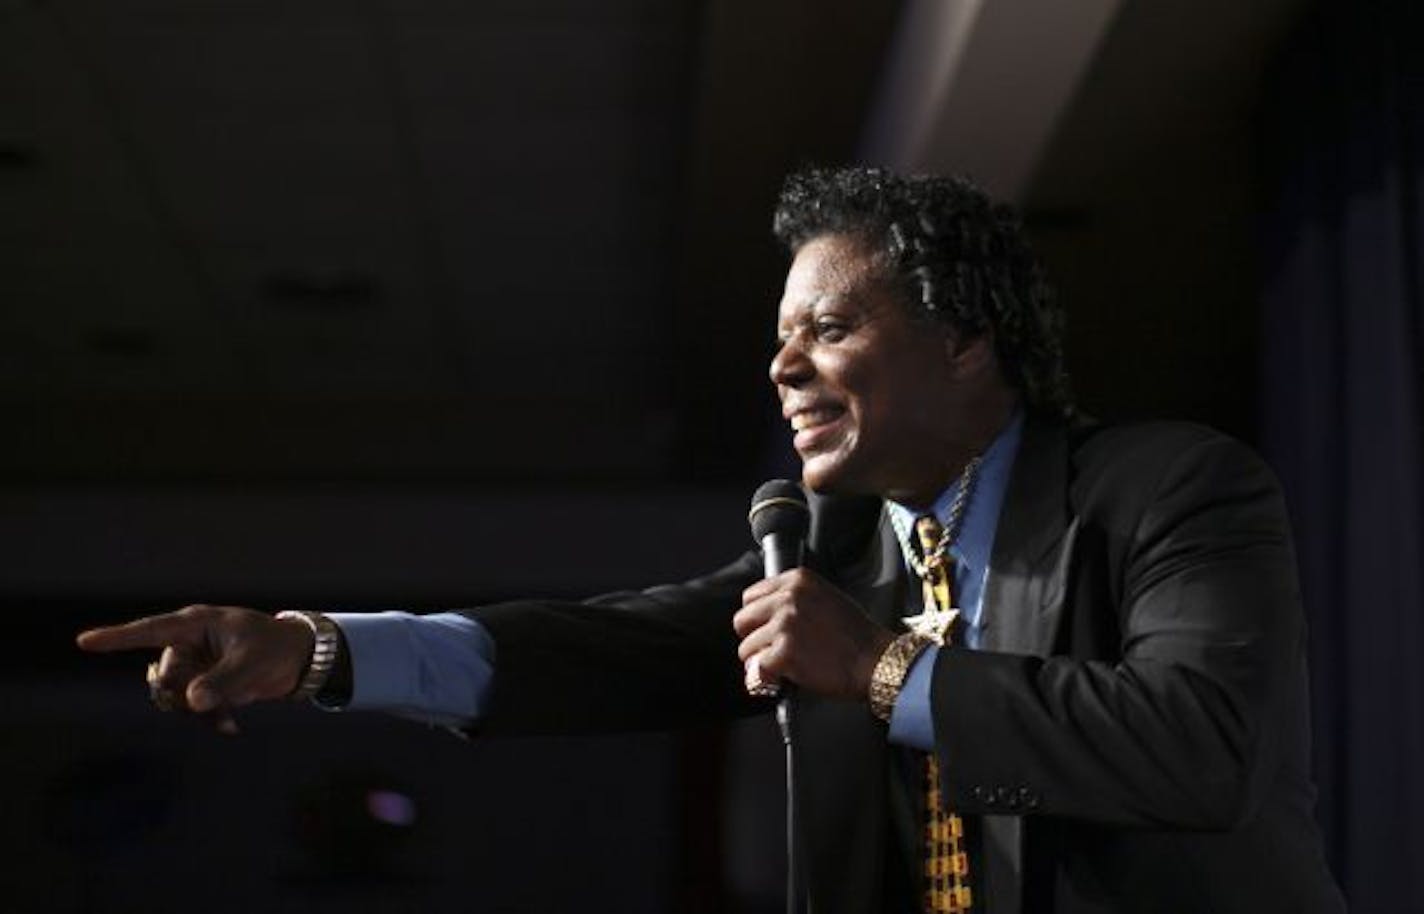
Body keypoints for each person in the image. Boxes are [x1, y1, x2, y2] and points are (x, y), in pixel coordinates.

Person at [78, 167, 1345, 913]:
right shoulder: (838, 550)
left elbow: (1203, 749)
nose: (782, 365)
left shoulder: (1169, 487)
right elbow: (604, 647)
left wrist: (885, 669)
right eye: (780, 338)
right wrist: (312, 650)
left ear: (964, 339)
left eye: (828, 329)